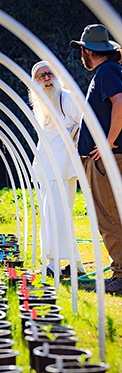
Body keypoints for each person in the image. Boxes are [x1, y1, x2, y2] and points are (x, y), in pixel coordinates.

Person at [70, 24, 122, 294]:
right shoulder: (109, 71)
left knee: (110, 217)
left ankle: (121, 274)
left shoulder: (107, 71)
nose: (81, 55)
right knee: (112, 215)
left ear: (88, 51)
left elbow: (120, 102)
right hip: (108, 158)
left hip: (110, 159)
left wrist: (108, 141)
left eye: (81, 50)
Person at [29, 61, 85, 278]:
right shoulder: (39, 104)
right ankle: (75, 265)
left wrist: (75, 138)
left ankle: (52, 265)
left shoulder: (67, 98)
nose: (46, 79)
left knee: (56, 215)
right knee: (51, 214)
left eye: (49, 74)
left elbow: (86, 124)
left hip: (63, 167)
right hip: (46, 168)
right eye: (40, 76)